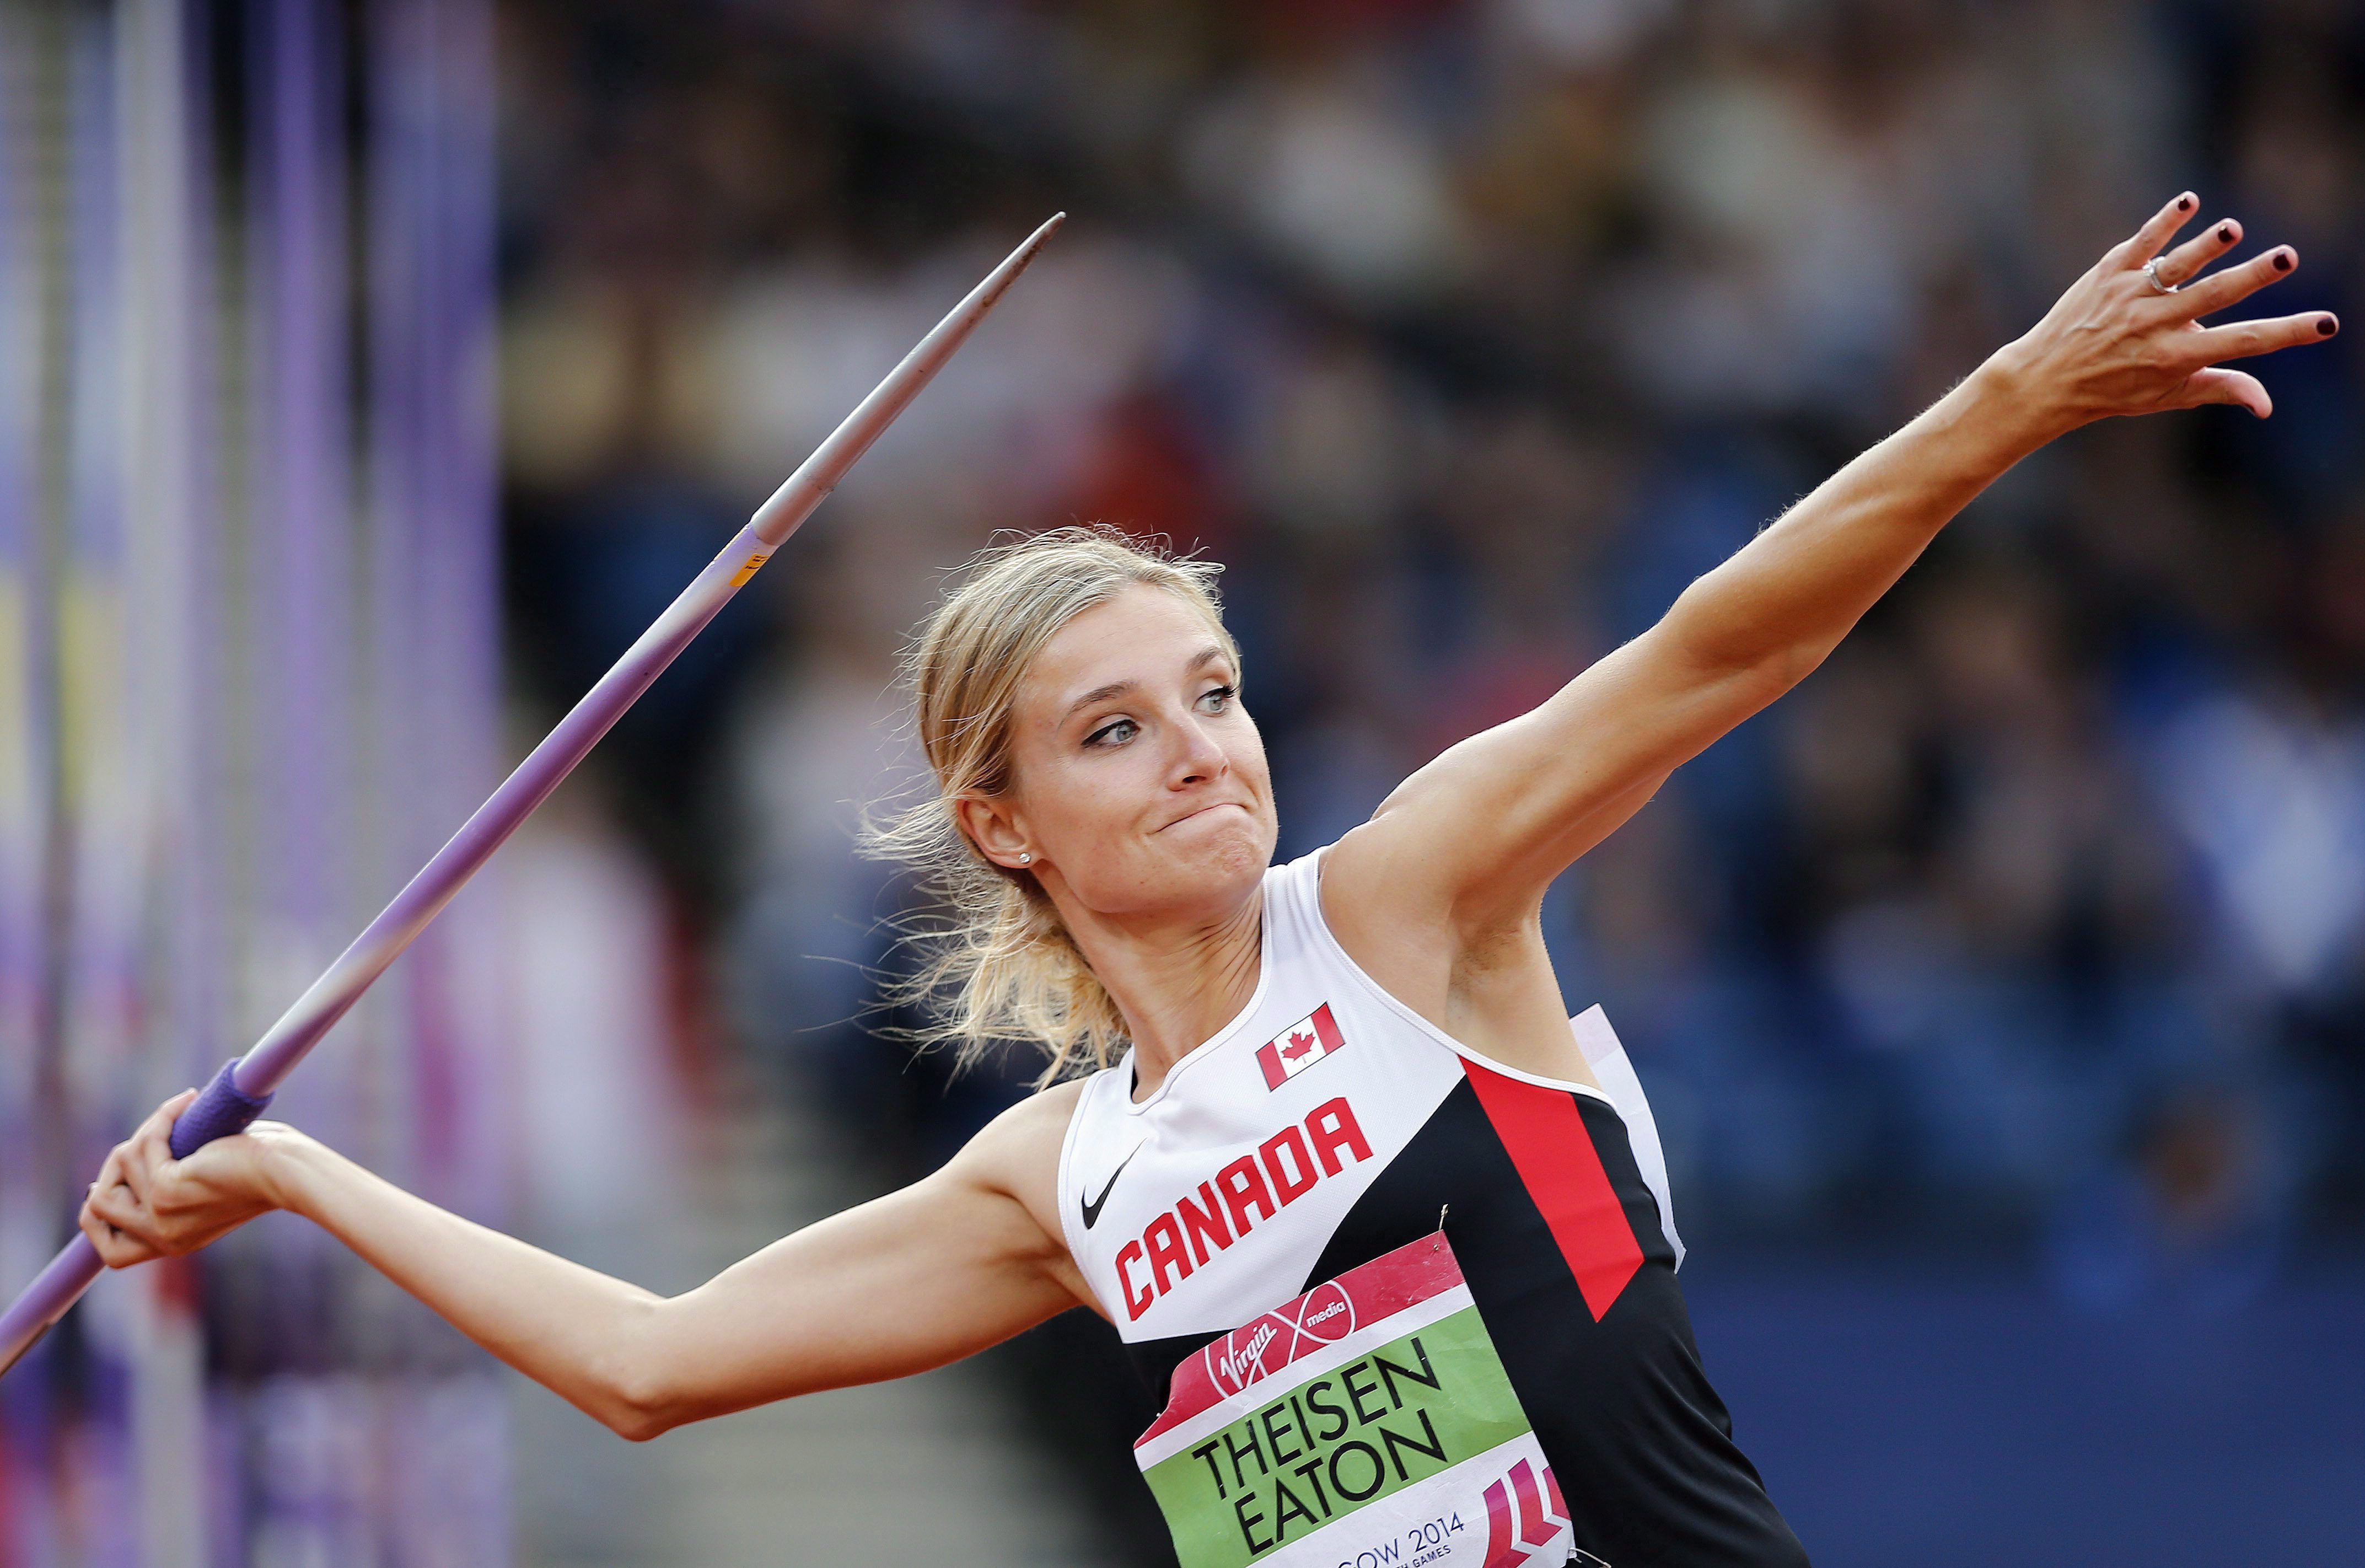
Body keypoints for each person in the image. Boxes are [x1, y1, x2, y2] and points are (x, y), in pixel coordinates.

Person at [81, 197, 2334, 1565]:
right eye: (1111, 730)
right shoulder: (1056, 1180)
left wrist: (2011, 395)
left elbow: (1712, 646)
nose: (1199, 750)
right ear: (1003, 823)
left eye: (1215, 691)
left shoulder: (1405, 910)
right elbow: (652, 1362)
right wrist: (289, 1174)